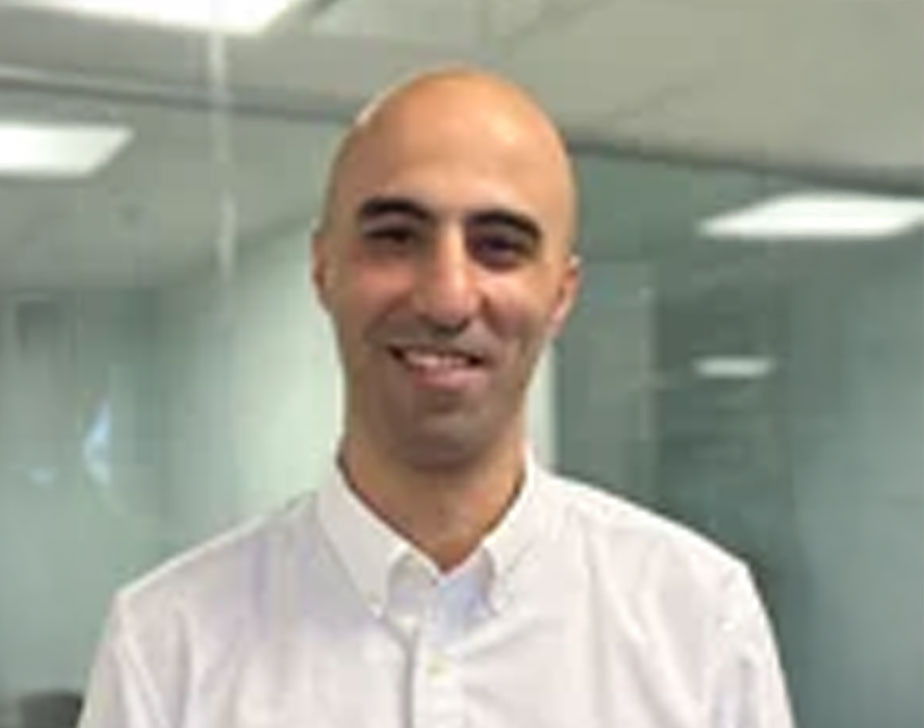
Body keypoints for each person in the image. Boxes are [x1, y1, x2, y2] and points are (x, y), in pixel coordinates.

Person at [77, 67, 795, 727]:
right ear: (324, 268)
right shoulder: (166, 647)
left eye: (501, 246)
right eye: (396, 236)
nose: (448, 297)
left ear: (561, 296)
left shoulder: (698, 620)